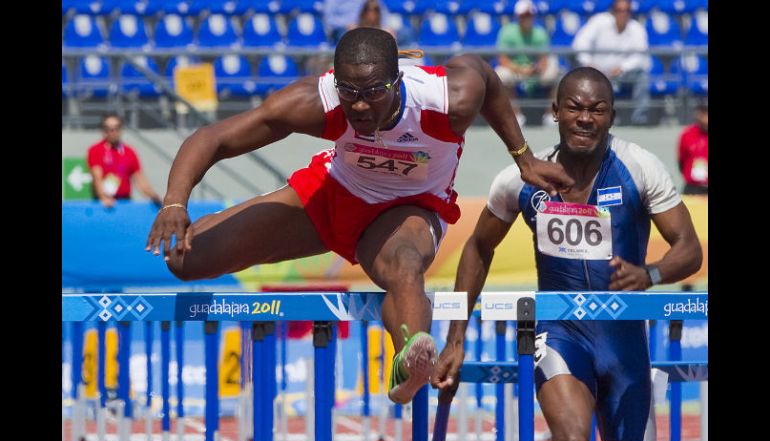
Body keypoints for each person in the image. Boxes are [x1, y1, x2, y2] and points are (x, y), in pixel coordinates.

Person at [146, 27, 573, 405]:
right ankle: (225, 224)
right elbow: (215, 137)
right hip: (334, 192)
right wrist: (174, 202)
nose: (361, 107)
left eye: (373, 92)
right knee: (185, 260)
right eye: (350, 92)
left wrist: (523, 157)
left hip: (409, 208)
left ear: (398, 79)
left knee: (405, 264)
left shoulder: (447, 100)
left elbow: (486, 76)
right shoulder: (317, 100)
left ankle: (409, 356)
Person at [432, 67, 702, 441]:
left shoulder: (638, 167)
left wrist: (649, 273)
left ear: (612, 116)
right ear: (555, 111)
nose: (585, 118)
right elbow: (479, 246)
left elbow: (689, 249)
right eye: (575, 107)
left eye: (598, 110)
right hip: (562, 333)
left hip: (626, 344)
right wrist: (455, 337)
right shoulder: (520, 181)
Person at [572, 0, 651, 125]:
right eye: (619, 10)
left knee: (641, 77)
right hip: (595, 73)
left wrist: (622, 68)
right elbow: (579, 44)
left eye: (627, 11)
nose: (623, 14)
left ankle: (639, 119)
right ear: (613, 11)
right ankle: (585, 120)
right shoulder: (598, 21)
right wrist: (588, 63)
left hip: (623, 75)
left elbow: (640, 55)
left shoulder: (636, 28)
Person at [494, 0, 559, 126]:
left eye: (529, 15)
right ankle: (516, 115)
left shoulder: (540, 32)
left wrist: (535, 68)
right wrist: (519, 69)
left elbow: (544, 59)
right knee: (502, 75)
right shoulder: (506, 32)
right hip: (514, 69)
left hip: (535, 70)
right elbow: (502, 59)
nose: (527, 18)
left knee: (554, 71)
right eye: (524, 15)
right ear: (518, 17)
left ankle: (550, 115)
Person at [87, 113, 162, 208]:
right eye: (108, 129)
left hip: (125, 202)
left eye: (116, 128)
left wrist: (154, 196)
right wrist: (103, 197)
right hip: (104, 203)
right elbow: (97, 177)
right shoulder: (95, 150)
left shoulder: (129, 152)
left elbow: (140, 180)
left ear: (121, 130)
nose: (112, 132)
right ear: (103, 131)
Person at [677, 103, 708, 195]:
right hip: (693, 188)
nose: (699, 118)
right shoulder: (687, 134)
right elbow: (681, 161)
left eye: (703, 114)